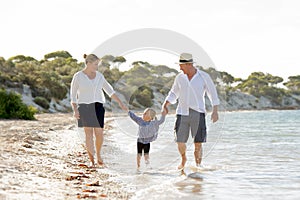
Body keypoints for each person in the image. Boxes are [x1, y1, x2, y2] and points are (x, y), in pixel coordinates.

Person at [162, 53, 220, 169]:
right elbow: (174, 92)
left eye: (181, 65)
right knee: (180, 141)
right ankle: (183, 158)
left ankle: (198, 166)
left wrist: (215, 111)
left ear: (189, 64)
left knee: (198, 143)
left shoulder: (204, 76)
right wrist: (166, 103)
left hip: (198, 113)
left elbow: (212, 93)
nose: (180, 68)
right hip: (182, 112)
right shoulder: (179, 77)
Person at [70, 53, 127, 167]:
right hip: (84, 107)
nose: (97, 67)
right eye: (95, 64)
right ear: (88, 63)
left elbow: (110, 91)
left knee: (99, 133)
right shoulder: (78, 76)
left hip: (98, 106)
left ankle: (99, 155)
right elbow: (73, 95)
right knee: (88, 134)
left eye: (98, 65)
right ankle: (91, 160)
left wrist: (120, 102)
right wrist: (75, 110)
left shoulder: (100, 76)